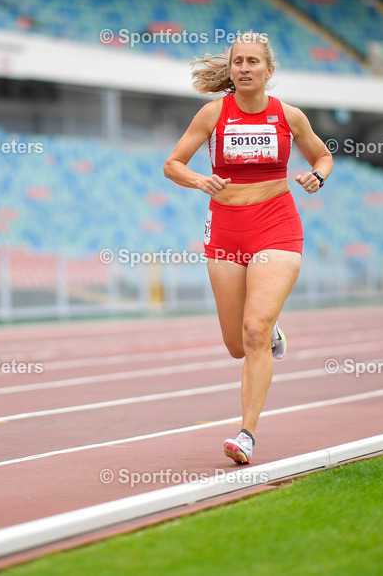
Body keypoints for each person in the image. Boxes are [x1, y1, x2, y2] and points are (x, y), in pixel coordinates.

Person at [163, 31, 332, 464]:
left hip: (276, 224)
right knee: (237, 344)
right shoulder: (213, 113)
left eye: (253, 61)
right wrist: (200, 180)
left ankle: (246, 434)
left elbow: (322, 156)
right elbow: (173, 164)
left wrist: (318, 176)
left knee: (253, 331)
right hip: (225, 229)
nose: (244, 68)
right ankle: (270, 328)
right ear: (231, 69)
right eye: (238, 61)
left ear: (269, 70)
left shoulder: (289, 116)